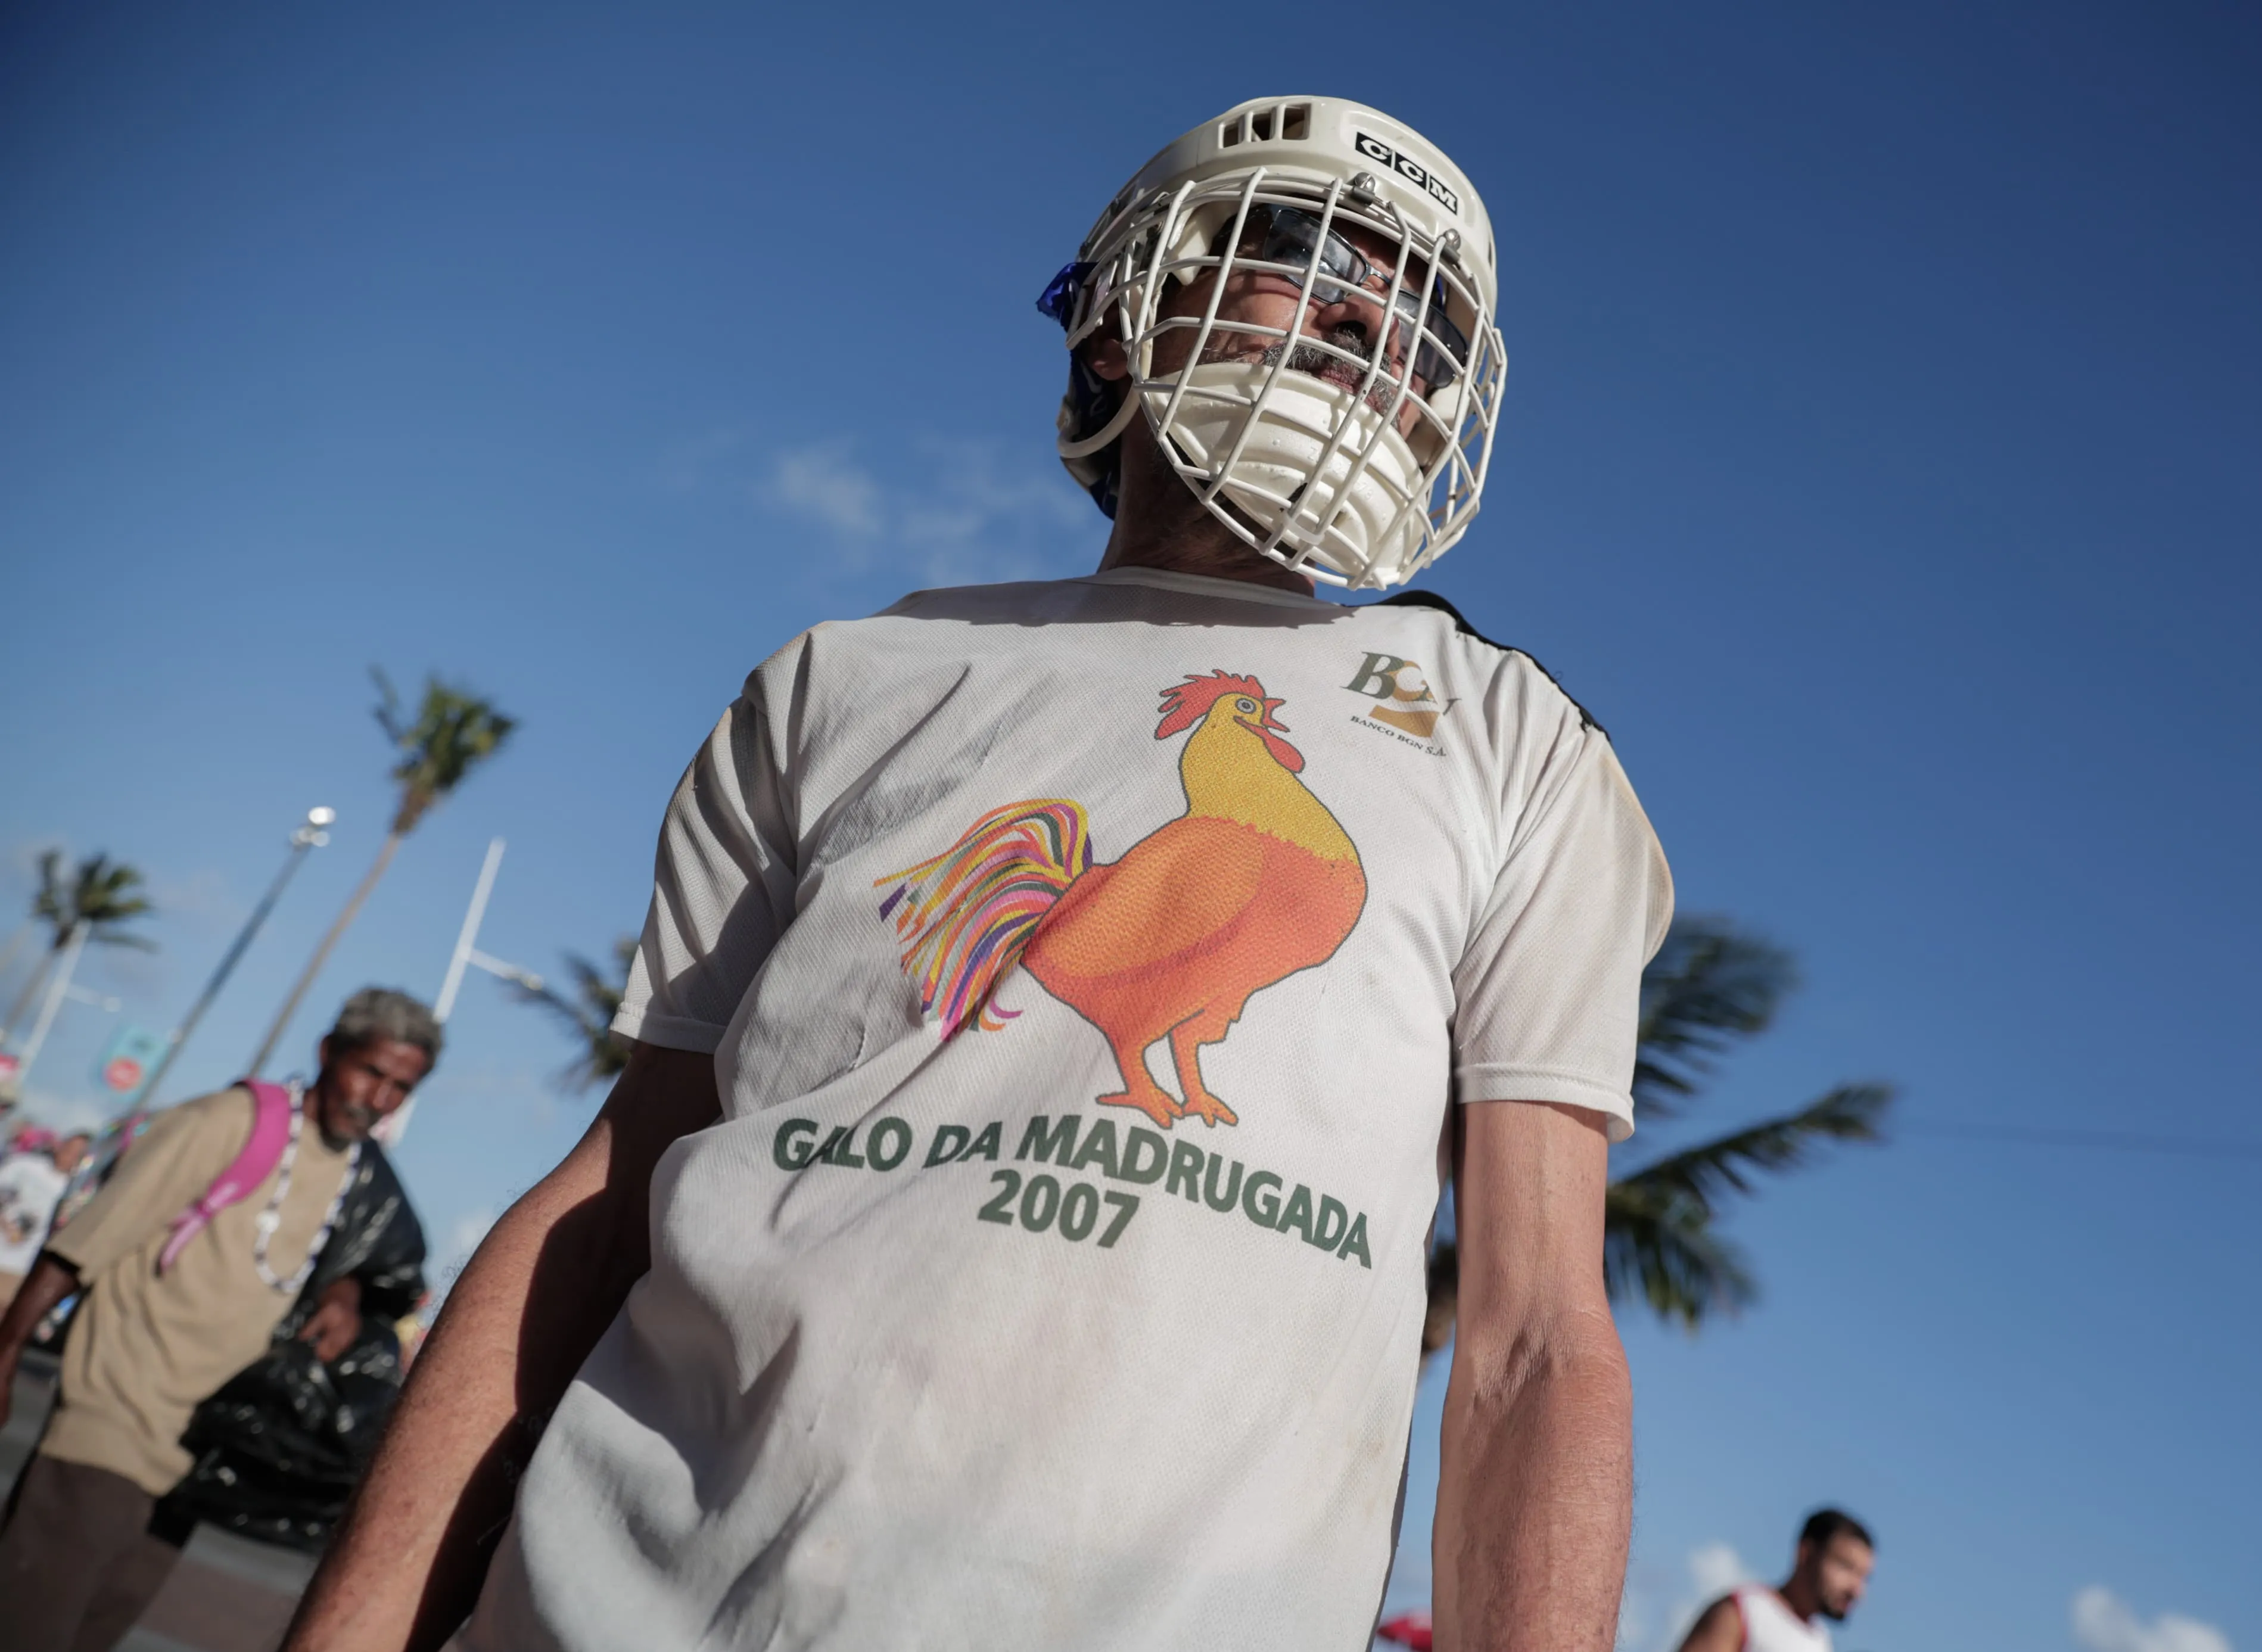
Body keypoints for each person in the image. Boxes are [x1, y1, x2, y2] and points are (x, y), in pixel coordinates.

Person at [287, 95, 1671, 1652]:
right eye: (1309, 253)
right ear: (1114, 323)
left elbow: (1536, 1340)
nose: (1369, 317)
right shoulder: (848, 675)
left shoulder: (1519, 739)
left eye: (1419, 316)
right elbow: (612, 1195)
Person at [0, 987, 440, 1652]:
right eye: (370, 1072)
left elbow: (381, 1267)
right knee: (29, 1626)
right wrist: (5, 1351)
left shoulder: (361, 1180)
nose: (378, 1098)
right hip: (111, 1420)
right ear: (328, 1052)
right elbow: (85, 1241)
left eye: (400, 1087)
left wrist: (346, 1288)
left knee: (94, 1635)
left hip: (200, 1455)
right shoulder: (226, 1122)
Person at [1673, 1510, 1877, 1652]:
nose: (1857, 1590)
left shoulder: (1821, 1641)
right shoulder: (1744, 1612)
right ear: (1806, 1554)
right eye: (1846, 1567)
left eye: (1864, 1577)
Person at [0, 1130, 90, 1303]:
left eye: (77, 1154)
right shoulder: (25, 1165)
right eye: (68, 1148)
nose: (69, 1155)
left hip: (19, 1268)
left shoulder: (74, 1193)